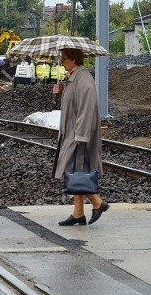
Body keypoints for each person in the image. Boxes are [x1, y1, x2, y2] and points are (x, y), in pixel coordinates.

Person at [52, 48, 109, 226]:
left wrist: (81, 135)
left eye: (64, 59)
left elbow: (87, 106)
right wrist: (60, 92)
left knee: (74, 169)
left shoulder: (83, 78)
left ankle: (98, 202)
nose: (62, 62)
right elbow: (72, 103)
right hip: (71, 131)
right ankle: (78, 213)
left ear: (74, 60)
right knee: (76, 171)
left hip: (79, 133)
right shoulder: (73, 77)